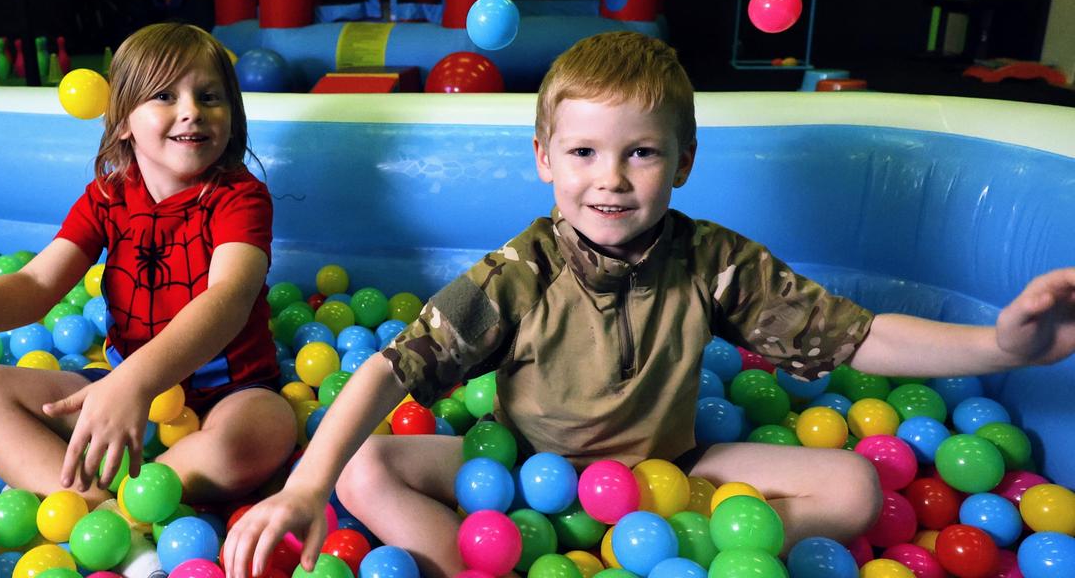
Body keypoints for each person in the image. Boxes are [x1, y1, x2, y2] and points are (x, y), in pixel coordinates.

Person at [221, 32, 1075, 578]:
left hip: (670, 474)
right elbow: (386, 367)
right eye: (585, 151)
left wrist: (1001, 346)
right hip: (515, 471)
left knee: (854, 485)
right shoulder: (519, 271)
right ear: (545, 159)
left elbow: (857, 336)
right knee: (365, 468)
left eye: (641, 153)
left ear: (684, 160)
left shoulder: (711, 262)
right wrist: (304, 492)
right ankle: (488, 567)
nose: (612, 178)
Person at [0, 22, 296, 506]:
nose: (192, 112)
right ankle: (92, 506)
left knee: (265, 430)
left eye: (210, 97)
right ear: (123, 120)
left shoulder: (239, 198)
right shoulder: (108, 196)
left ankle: (133, 500)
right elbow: (36, 283)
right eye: (165, 96)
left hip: (225, 394)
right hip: (114, 394)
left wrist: (136, 383)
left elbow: (229, 298)